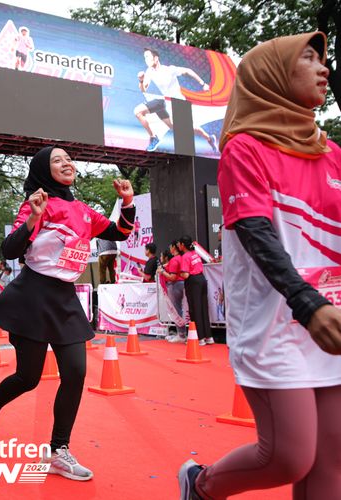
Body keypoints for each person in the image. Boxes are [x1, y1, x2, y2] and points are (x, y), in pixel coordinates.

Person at [178, 32, 341, 500]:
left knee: (331, 459)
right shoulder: (245, 148)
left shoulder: (332, 154)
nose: (324, 69)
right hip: (277, 324)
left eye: (324, 60)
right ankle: (200, 485)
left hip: (330, 321)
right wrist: (307, 303)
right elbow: (255, 231)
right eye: (309, 59)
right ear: (272, 75)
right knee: (289, 456)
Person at [0, 146, 135, 481]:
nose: (67, 163)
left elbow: (120, 232)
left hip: (66, 299)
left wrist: (128, 201)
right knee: (28, 378)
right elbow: (10, 249)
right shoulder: (38, 204)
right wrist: (33, 217)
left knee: (75, 373)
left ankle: (59, 451)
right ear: (44, 170)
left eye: (69, 159)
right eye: (57, 160)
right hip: (33, 295)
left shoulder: (83, 211)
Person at [134, 47, 219, 153]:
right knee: (140, 112)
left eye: (147, 57)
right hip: (165, 103)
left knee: (188, 128)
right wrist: (141, 81)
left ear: (156, 58)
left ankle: (209, 138)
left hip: (179, 103)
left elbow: (188, 71)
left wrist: (203, 84)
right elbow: (144, 89)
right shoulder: (149, 72)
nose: (146, 60)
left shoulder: (169, 70)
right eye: (144, 57)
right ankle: (154, 137)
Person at [178, 236, 214, 345]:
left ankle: (199, 338)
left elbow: (185, 274)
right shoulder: (195, 254)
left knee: (195, 309)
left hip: (193, 282)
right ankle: (209, 337)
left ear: (183, 245)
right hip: (202, 279)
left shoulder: (185, 256)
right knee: (203, 308)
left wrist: (179, 274)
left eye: (179, 244)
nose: (178, 246)